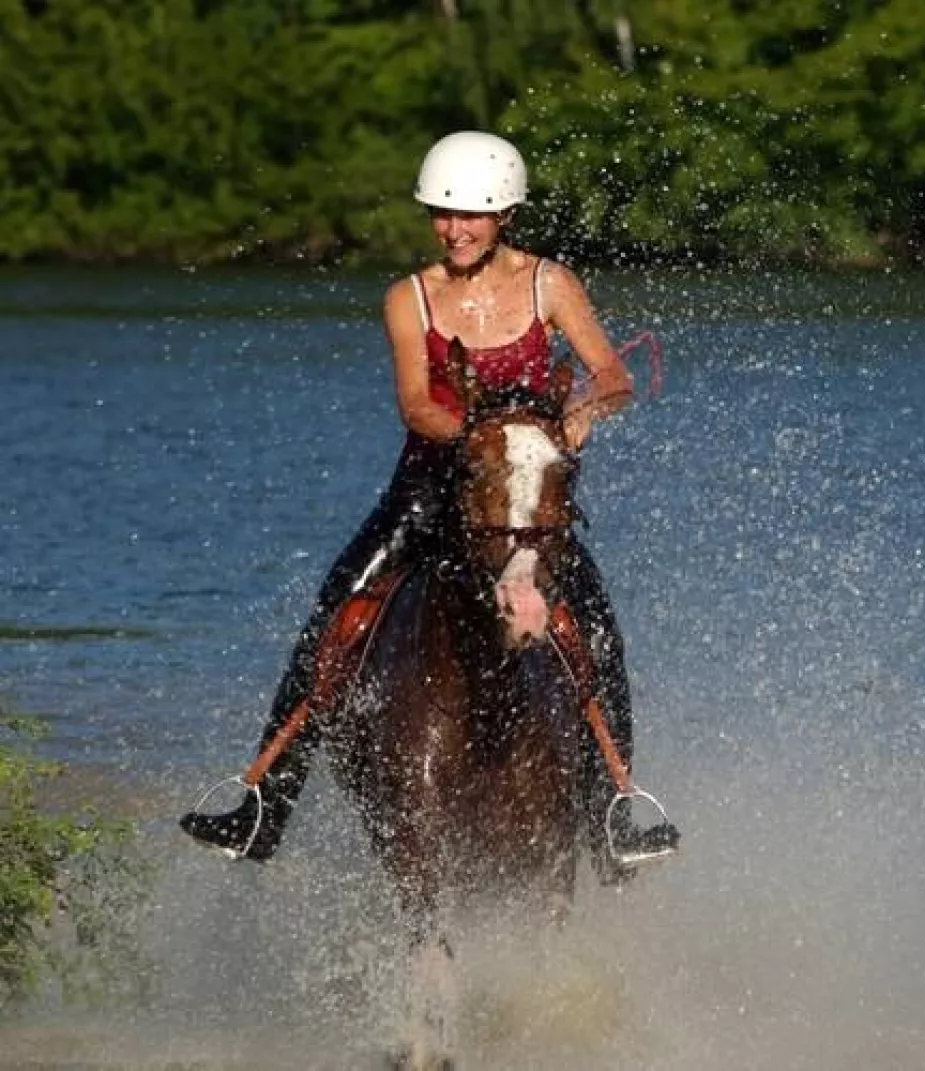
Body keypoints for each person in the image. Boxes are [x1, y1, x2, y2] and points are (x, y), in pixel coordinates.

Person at [181, 131, 674, 881]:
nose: (454, 229)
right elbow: (417, 403)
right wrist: (480, 435)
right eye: (442, 214)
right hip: (428, 491)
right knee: (334, 618)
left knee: (597, 631)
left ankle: (617, 811)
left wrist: (576, 417)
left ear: (505, 212)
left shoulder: (551, 284)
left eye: (470, 215)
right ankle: (261, 805)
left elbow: (612, 376)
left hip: (523, 497)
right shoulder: (409, 297)